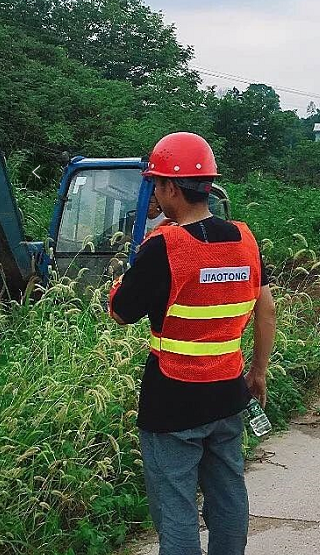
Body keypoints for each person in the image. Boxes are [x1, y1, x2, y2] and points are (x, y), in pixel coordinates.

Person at [109, 132, 276, 555]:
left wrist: (124, 280)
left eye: (157, 184)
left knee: (176, 505)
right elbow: (267, 311)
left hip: (172, 399)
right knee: (228, 494)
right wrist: (257, 373)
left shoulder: (166, 246)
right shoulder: (245, 240)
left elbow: (120, 311)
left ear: (169, 186)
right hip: (227, 392)